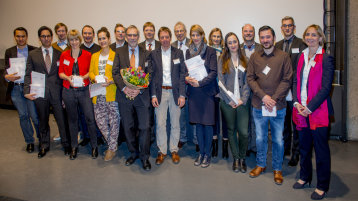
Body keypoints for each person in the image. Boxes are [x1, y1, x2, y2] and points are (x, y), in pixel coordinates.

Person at [292, 24, 334, 200]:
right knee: (304, 148)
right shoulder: (301, 56)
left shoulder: (326, 58)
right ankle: (305, 177)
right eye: (308, 34)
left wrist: (309, 108)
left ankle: (322, 185)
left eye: (314, 35)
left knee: (321, 150)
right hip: (301, 110)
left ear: (320, 38)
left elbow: (326, 88)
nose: (310, 37)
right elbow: (296, 82)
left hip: (318, 111)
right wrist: (296, 103)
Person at [246, 26, 292, 185]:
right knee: (260, 138)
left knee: (278, 140)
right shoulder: (254, 57)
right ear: (260, 39)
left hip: (278, 106)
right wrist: (264, 97)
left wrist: (273, 98)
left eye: (268, 37)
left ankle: (277, 168)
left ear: (273, 37)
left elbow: (287, 80)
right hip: (259, 105)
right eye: (263, 37)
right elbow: (250, 79)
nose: (265, 40)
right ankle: (261, 164)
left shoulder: (283, 56)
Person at [24, 26, 70, 158]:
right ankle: (44, 145)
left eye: (48, 36)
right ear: (39, 39)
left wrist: (64, 95)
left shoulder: (59, 54)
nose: (46, 38)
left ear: (52, 37)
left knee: (62, 120)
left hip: (57, 93)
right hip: (40, 93)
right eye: (43, 36)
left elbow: (63, 74)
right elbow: (28, 74)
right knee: (43, 120)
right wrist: (27, 90)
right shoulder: (33, 55)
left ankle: (66, 144)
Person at [112, 25, 152, 171]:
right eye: (130, 35)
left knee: (145, 127)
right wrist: (125, 88)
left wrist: (138, 89)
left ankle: (144, 157)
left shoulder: (146, 53)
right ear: (126, 37)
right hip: (124, 96)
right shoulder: (118, 52)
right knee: (128, 127)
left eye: (135, 35)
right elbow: (115, 73)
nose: (132, 38)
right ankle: (133, 153)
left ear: (138, 36)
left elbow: (150, 74)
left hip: (141, 97)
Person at [58, 29, 98, 160]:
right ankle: (74, 146)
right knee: (72, 120)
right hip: (68, 91)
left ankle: (94, 146)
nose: (74, 42)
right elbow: (60, 73)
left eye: (76, 39)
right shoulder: (64, 55)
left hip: (84, 90)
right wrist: (68, 78)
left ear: (79, 41)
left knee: (90, 118)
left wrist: (83, 77)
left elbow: (90, 72)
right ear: (68, 41)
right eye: (71, 40)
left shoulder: (87, 54)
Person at [150, 27, 186, 165]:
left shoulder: (178, 53)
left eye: (167, 37)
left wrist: (182, 94)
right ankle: (162, 151)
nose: (165, 40)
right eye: (162, 37)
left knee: (175, 123)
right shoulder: (153, 54)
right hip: (160, 93)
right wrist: (153, 95)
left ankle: (174, 150)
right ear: (159, 39)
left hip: (175, 92)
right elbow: (152, 76)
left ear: (171, 38)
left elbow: (182, 75)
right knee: (160, 123)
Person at [275, 16, 307, 166]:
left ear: (294, 27)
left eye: (289, 26)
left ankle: (296, 153)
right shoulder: (278, 45)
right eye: (284, 26)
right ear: (281, 28)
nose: (287, 28)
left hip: (295, 90)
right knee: (284, 123)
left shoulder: (302, 44)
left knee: (296, 124)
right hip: (281, 90)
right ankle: (286, 149)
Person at [186, 24, 218, 168]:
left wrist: (201, 83)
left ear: (202, 35)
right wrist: (187, 78)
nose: (195, 38)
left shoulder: (210, 51)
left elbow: (213, 72)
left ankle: (208, 154)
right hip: (193, 92)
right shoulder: (188, 52)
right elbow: (185, 70)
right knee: (198, 124)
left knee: (208, 124)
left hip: (206, 91)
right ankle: (201, 153)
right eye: (193, 35)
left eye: (198, 35)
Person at [218, 32, 250, 173]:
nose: (232, 45)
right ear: (227, 45)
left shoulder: (246, 60)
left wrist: (243, 99)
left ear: (239, 42)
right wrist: (228, 100)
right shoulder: (222, 60)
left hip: (242, 102)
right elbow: (220, 82)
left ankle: (243, 157)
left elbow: (248, 82)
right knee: (231, 130)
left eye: (234, 41)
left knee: (243, 132)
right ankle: (236, 158)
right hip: (227, 102)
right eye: (229, 42)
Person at [4, 27, 39, 153]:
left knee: (34, 116)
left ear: (27, 37)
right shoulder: (10, 51)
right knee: (23, 116)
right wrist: (7, 77)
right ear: (15, 37)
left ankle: (41, 139)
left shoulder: (34, 50)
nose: (21, 39)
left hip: (30, 87)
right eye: (18, 36)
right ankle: (29, 141)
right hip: (16, 89)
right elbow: (6, 69)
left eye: (23, 36)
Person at [89, 27, 120, 161]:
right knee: (100, 121)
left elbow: (120, 73)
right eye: (100, 39)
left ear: (109, 39)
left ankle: (111, 148)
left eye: (104, 38)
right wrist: (94, 77)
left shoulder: (116, 55)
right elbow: (90, 72)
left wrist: (112, 81)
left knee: (114, 121)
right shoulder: (94, 56)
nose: (102, 41)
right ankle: (113, 143)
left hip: (111, 93)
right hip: (97, 93)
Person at [172, 21, 198, 151]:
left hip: (192, 83)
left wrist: (189, 76)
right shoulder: (172, 46)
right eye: (176, 31)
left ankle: (195, 139)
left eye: (181, 30)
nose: (179, 33)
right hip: (179, 85)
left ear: (185, 31)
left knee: (193, 112)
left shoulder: (193, 44)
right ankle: (182, 138)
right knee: (180, 114)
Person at [240, 23, 262, 157]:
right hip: (243, 90)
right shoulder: (238, 48)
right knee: (245, 120)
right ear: (242, 33)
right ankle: (246, 146)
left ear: (254, 33)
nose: (248, 33)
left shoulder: (260, 47)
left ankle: (256, 146)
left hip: (258, 90)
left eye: (251, 31)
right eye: (246, 31)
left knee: (257, 120)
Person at [208, 27, 229, 159]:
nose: (216, 39)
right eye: (214, 36)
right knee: (214, 118)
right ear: (210, 38)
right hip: (211, 89)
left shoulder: (226, 52)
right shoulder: (207, 51)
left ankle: (225, 147)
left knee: (226, 119)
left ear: (221, 39)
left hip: (225, 90)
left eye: (218, 37)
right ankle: (214, 146)